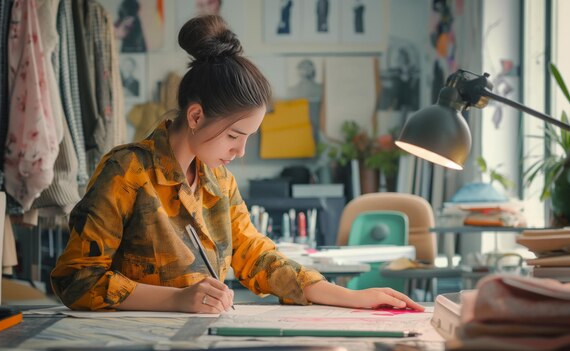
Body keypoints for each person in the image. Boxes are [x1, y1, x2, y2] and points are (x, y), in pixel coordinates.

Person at [51, 15, 424, 313]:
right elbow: (76, 279)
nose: (241, 151)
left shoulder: (219, 182)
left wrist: (351, 297)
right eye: (234, 136)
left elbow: (258, 258)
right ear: (195, 116)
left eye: (249, 138)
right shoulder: (128, 170)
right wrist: (177, 299)